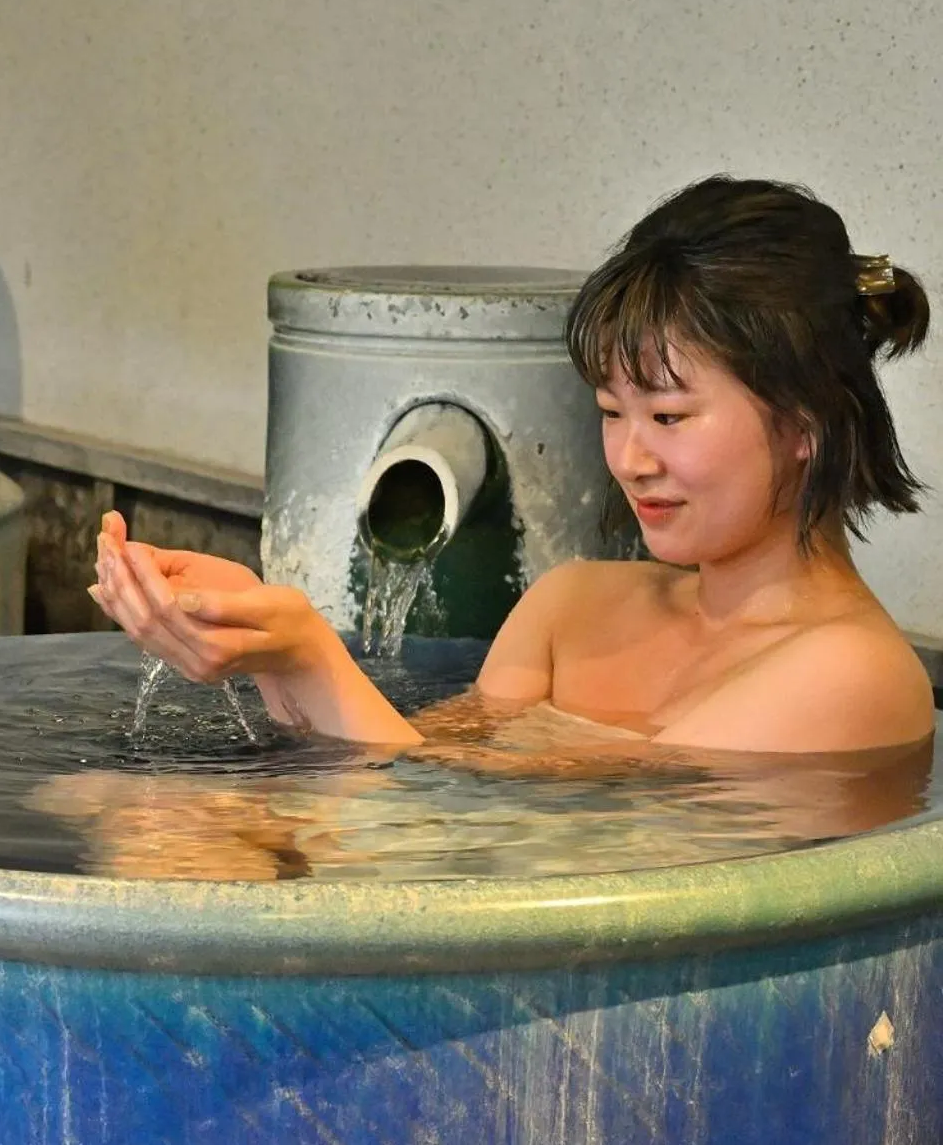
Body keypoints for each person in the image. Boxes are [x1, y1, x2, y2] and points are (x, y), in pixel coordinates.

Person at [93, 177, 936, 756]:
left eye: (670, 416)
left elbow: (481, 848)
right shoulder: (573, 607)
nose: (631, 459)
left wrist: (305, 654)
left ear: (808, 420)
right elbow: (421, 776)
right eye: (611, 413)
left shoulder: (851, 674)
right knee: (134, 815)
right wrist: (250, 630)